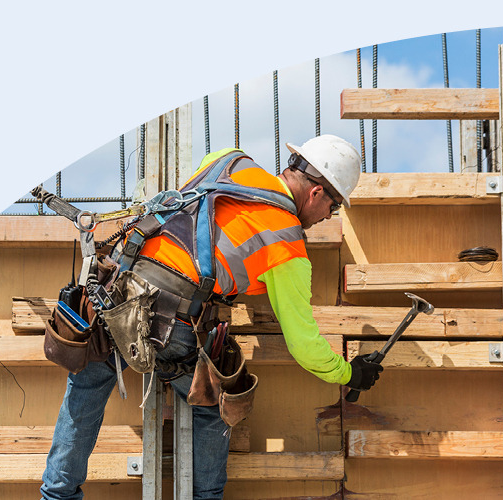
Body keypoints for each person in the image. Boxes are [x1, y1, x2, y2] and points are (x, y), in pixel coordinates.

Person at [40, 134, 384, 500]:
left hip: (119, 291)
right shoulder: (288, 245)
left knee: (88, 382)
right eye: (332, 207)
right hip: (173, 321)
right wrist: (349, 372)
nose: (327, 217)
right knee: (213, 404)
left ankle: (56, 494)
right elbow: (304, 344)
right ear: (316, 193)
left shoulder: (229, 161)